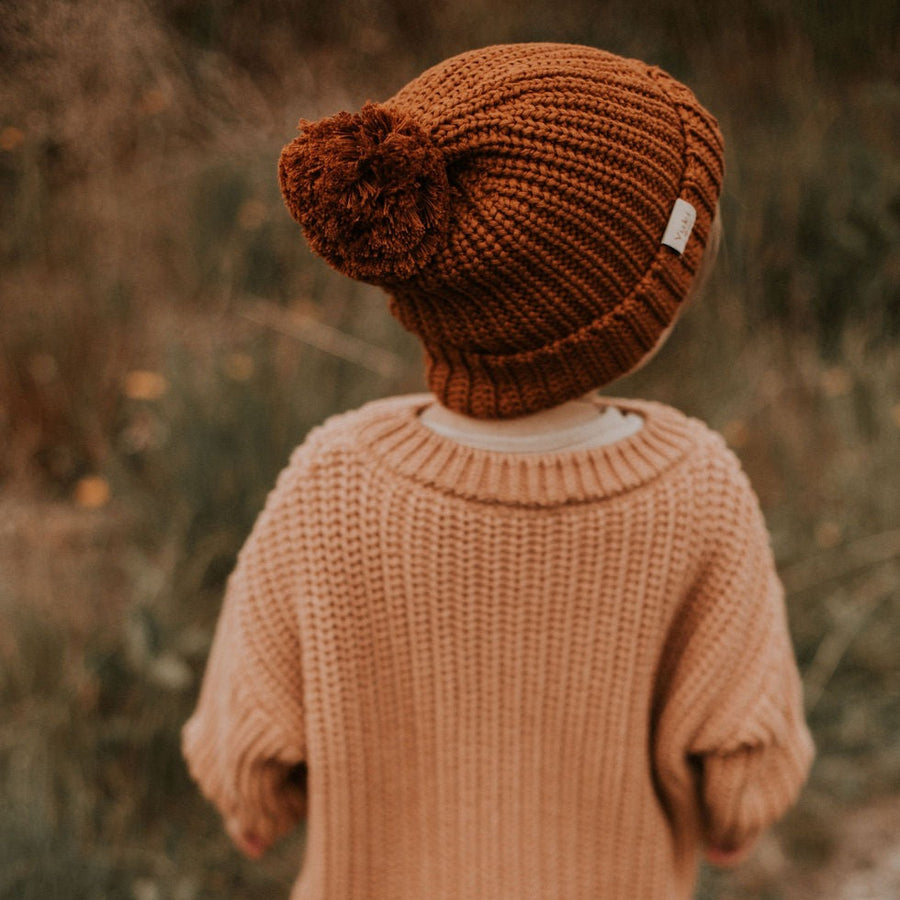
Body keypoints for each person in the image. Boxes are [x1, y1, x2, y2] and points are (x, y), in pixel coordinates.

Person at [182, 42, 814, 899]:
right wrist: (732, 818)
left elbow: (247, 760)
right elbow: (743, 776)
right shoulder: (694, 489)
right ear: (621, 317)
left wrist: (260, 809)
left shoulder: (330, 482)